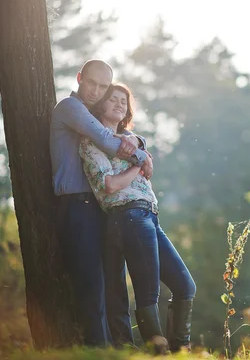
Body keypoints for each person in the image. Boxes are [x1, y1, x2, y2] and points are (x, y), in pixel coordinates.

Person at [79, 83, 196, 353]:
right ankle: (160, 353)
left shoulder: (132, 140)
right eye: (113, 99)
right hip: (127, 214)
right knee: (148, 294)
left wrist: (139, 154)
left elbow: (146, 165)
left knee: (185, 285)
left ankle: (181, 352)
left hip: (150, 216)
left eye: (124, 100)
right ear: (101, 105)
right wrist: (136, 164)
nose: (120, 104)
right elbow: (108, 185)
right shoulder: (91, 141)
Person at [50, 60, 151, 347]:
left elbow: (118, 136)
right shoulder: (70, 108)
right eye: (91, 83)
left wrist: (139, 144)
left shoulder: (92, 117)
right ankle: (99, 352)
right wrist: (144, 158)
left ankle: (123, 350)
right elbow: (107, 142)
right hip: (77, 208)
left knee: (115, 288)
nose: (96, 90)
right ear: (80, 78)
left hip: (101, 208)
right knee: (92, 290)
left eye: (103, 86)